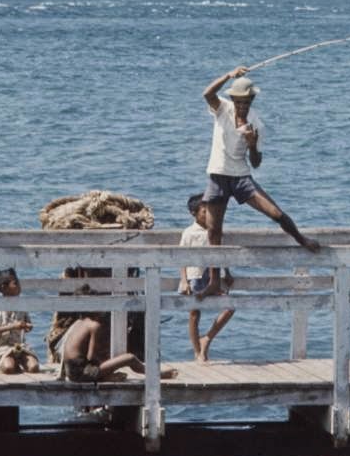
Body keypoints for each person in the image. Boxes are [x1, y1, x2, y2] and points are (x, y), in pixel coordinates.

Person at [198, 67, 319, 299]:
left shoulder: (256, 124)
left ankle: (301, 239)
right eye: (239, 102)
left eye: (247, 102)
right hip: (217, 174)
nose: (243, 106)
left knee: (275, 213)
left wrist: (252, 145)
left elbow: (256, 163)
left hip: (241, 177)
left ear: (252, 101)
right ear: (234, 99)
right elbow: (207, 93)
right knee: (213, 231)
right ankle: (214, 281)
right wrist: (229, 75)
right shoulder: (223, 108)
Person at [179, 193, 235, 361]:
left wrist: (227, 272)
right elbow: (181, 259)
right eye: (204, 211)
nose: (208, 214)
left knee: (230, 306)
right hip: (195, 276)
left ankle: (207, 338)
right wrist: (184, 281)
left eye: (209, 210)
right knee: (194, 313)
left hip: (214, 278)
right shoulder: (189, 233)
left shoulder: (215, 230)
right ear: (194, 213)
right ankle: (197, 352)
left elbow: (222, 254)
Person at [57, 312, 178, 383]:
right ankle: (157, 375)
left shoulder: (79, 322)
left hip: (71, 372)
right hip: (81, 374)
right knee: (129, 358)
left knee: (115, 361)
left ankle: (105, 377)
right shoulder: (95, 326)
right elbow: (92, 358)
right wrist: (109, 366)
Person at [0, 268, 41, 373]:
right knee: (9, 368)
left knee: (34, 367)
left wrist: (27, 326)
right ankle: (10, 362)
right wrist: (13, 326)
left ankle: (18, 362)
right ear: (4, 287)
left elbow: (28, 325)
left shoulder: (21, 305)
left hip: (21, 347)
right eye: (15, 283)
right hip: (3, 348)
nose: (19, 286)